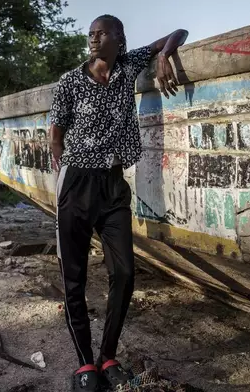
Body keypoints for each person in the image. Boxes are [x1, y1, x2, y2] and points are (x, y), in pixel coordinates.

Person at [48, 14, 188, 392]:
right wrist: (61, 166)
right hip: (76, 183)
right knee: (73, 277)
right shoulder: (71, 82)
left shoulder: (127, 67)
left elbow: (176, 33)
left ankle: (107, 355)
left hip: (112, 185)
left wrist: (165, 54)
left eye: (102, 33)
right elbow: (56, 133)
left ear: (119, 38)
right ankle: (84, 365)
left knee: (124, 272)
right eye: (91, 34)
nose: (94, 40)